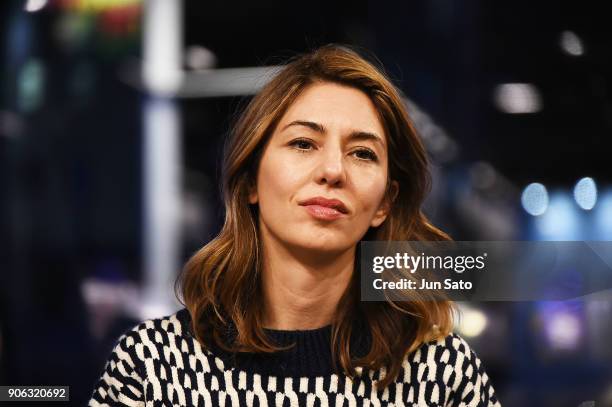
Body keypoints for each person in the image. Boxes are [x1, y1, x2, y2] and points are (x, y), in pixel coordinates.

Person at [89, 44, 501, 406]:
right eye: (303, 144)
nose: (333, 170)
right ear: (250, 180)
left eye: (362, 153)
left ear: (385, 203)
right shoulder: (154, 366)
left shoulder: (440, 373)